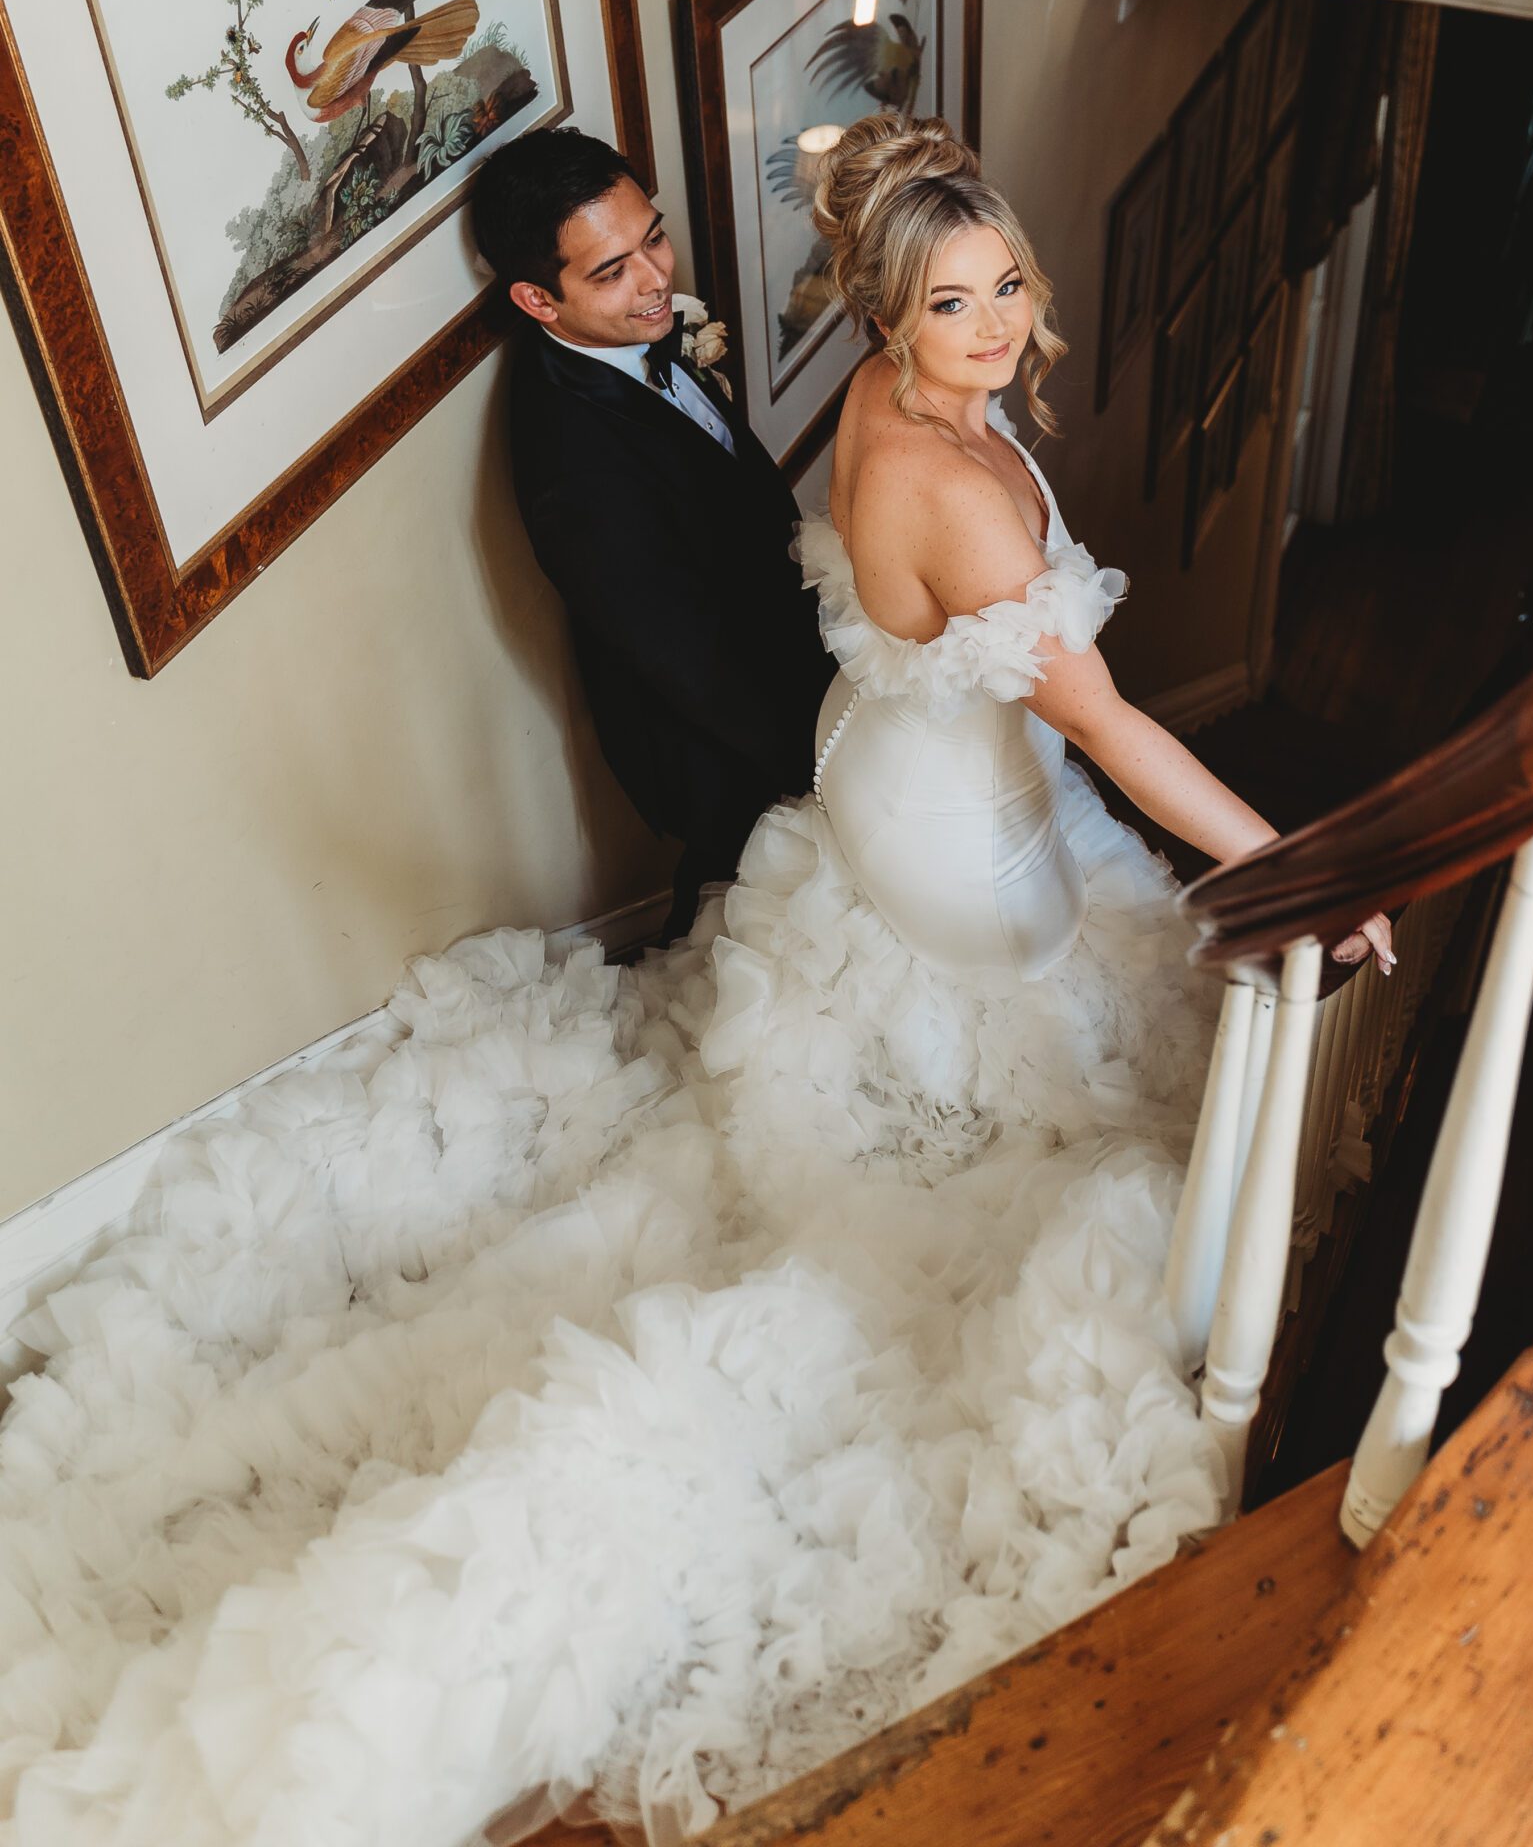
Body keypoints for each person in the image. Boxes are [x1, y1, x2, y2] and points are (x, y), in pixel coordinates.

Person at [5, 118, 1393, 1847]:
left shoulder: (902, 392)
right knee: (1037, 1077)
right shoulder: (914, 480)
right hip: (930, 808)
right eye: (951, 302)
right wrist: (1293, 867)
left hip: (891, 743)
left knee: (1032, 1010)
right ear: (893, 311)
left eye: (1006, 284)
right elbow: (1100, 720)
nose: (993, 325)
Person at [472, 125, 833, 936]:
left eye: (654, 238)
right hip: (731, 748)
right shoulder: (574, 467)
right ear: (537, 299)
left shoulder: (630, 333)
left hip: (789, 660)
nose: (655, 281)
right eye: (610, 271)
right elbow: (692, 663)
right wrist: (830, 770)